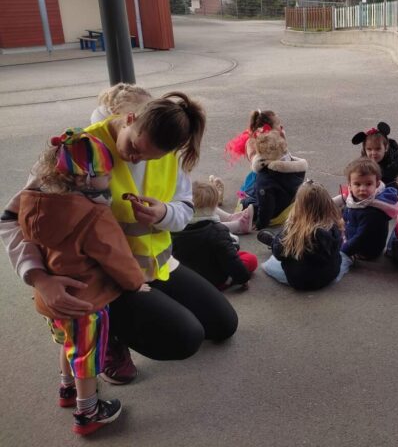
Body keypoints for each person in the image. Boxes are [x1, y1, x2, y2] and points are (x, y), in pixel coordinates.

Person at [1, 91, 238, 384]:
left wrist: (164, 212)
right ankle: (110, 334)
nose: (137, 160)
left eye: (152, 157)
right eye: (134, 148)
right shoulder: (78, 150)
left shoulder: (167, 154)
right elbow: (14, 218)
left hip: (157, 267)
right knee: (185, 339)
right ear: (129, 119)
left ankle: (146, 310)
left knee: (224, 325)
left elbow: (185, 210)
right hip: (104, 280)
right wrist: (39, 278)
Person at [17, 129, 147, 435]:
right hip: (85, 301)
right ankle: (88, 412)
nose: (109, 179)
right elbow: (117, 257)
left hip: (51, 299)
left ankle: (67, 390)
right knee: (86, 355)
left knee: (66, 345)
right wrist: (135, 283)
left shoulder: (36, 205)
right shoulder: (94, 215)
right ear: (83, 178)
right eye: (104, 174)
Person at [257, 181, 353, 290]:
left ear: (298, 206)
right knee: (341, 256)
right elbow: (337, 248)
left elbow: (279, 254)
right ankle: (275, 241)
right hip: (328, 277)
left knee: (271, 262)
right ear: (327, 204)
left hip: (299, 281)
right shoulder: (333, 226)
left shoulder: (293, 230)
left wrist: (278, 243)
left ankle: (274, 241)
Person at [171, 180, 258, 290]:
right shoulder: (217, 232)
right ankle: (230, 278)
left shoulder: (174, 227)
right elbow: (231, 260)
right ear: (213, 207)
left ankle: (237, 226)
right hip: (213, 280)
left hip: (187, 279)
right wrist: (243, 278)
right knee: (250, 259)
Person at [337, 157, 398, 261]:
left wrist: (343, 251)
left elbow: (361, 238)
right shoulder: (355, 198)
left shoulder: (372, 212)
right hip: (353, 236)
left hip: (366, 250)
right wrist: (342, 221)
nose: (362, 188)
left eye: (368, 184)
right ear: (350, 185)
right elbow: (349, 211)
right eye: (357, 184)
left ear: (377, 184)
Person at [352, 121, 398, 189]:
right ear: (365, 149)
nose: (373, 153)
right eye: (369, 149)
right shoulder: (361, 165)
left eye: (378, 149)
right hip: (366, 195)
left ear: (386, 147)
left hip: (392, 196)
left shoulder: (397, 164)